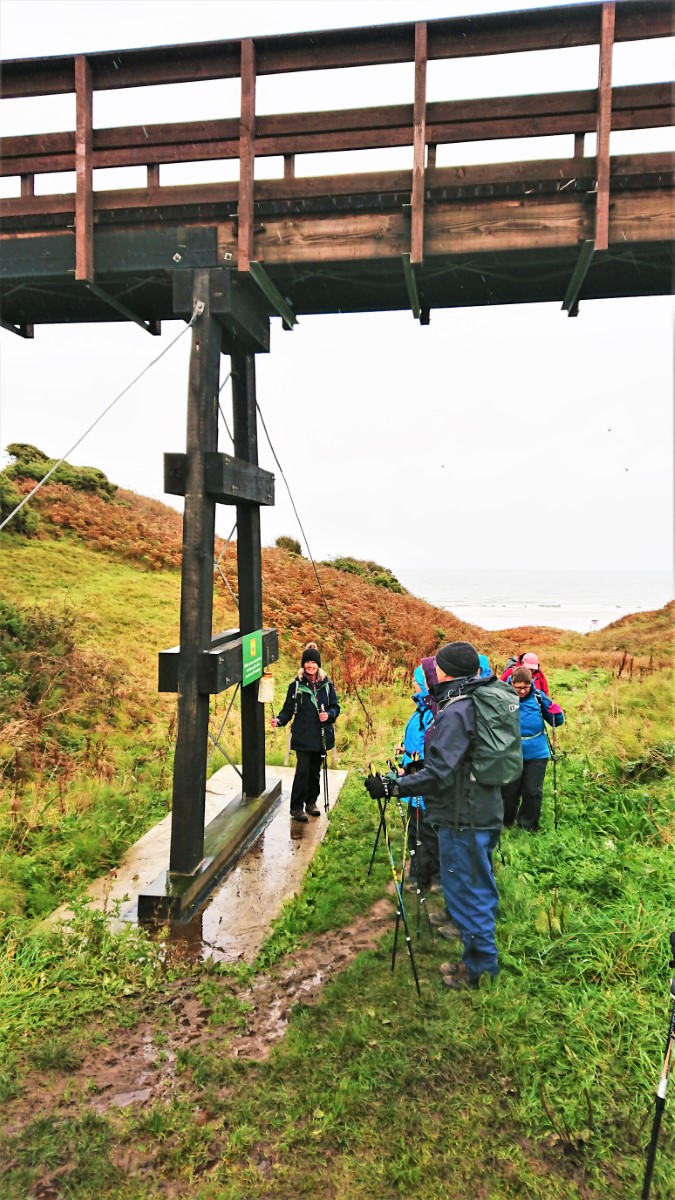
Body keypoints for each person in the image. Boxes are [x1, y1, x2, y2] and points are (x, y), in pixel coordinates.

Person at [365, 641, 504, 991]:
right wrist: (413, 771)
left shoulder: (458, 710)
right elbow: (456, 762)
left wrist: (393, 786)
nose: (434, 671)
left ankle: (477, 968)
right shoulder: (474, 700)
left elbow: (440, 773)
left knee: (468, 891)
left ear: (447, 671)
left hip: (463, 816)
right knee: (477, 885)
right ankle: (478, 959)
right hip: (480, 808)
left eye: (438, 666)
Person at [271, 642, 340, 822]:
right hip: (303, 736)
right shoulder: (295, 686)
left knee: (315, 772)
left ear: (318, 664)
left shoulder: (327, 685)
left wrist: (329, 715)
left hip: (321, 737)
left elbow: (335, 707)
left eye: (313, 662)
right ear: (303, 664)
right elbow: (288, 710)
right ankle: (296, 808)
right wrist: (279, 720)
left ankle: (311, 803)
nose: (310, 666)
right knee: (303, 771)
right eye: (307, 662)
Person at [502, 666, 564, 831]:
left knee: (532, 791)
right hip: (511, 753)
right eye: (519, 688)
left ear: (531, 684)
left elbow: (556, 722)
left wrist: (557, 713)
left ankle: (528, 825)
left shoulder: (538, 697)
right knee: (509, 790)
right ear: (512, 683)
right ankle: (506, 820)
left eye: (526, 687)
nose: (522, 691)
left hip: (537, 753)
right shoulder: (503, 698)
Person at [396, 665, 440, 895]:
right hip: (415, 777)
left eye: (415, 681)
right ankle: (420, 873)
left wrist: (412, 768)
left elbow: (432, 748)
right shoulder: (422, 708)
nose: (412, 684)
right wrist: (405, 750)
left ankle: (429, 877)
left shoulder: (432, 712)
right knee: (416, 831)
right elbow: (419, 742)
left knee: (426, 833)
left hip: (423, 782)